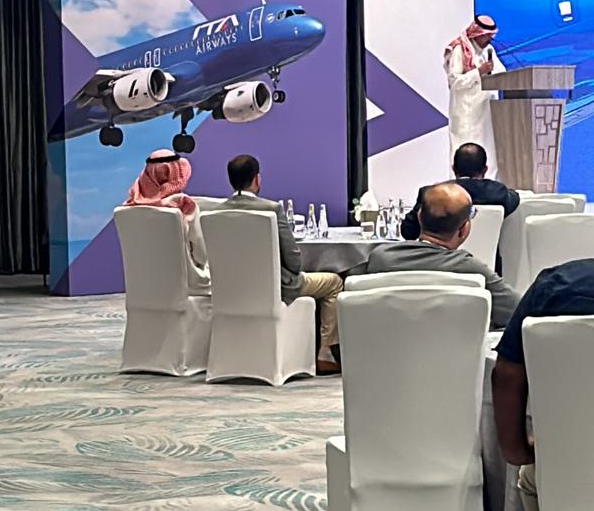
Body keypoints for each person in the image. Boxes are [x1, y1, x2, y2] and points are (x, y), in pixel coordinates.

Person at [492, 259, 594, 511]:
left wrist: (517, 450)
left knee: (533, 477)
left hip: (572, 472)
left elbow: (506, 375)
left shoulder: (555, 285)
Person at [222, 154, 343, 375]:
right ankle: (325, 353)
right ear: (256, 179)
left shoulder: (216, 211)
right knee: (334, 282)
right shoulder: (271, 209)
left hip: (230, 288)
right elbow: (293, 260)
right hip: (277, 286)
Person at [365, 181, 519, 330]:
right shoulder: (473, 270)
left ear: (419, 217)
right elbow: (517, 312)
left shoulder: (381, 259)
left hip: (388, 346)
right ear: (464, 229)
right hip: (457, 347)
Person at [400, 143, 520, 272]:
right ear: (485, 169)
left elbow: (408, 231)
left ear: (453, 168)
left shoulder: (432, 194)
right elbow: (514, 199)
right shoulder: (497, 192)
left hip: (435, 268)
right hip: (488, 270)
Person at [125, 149, 210, 295]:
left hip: (144, 287)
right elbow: (201, 256)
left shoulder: (128, 210)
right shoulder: (184, 206)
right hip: (187, 284)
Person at [444, 15, 505, 176]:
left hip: (486, 111)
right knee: (465, 153)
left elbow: (502, 72)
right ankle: (461, 188)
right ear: (477, 34)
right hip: (466, 114)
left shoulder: (488, 50)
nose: (489, 39)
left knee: (488, 152)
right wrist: (479, 72)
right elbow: (454, 81)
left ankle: (487, 184)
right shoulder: (459, 49)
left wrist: (490, 71)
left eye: (491, 36)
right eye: (487, 36)